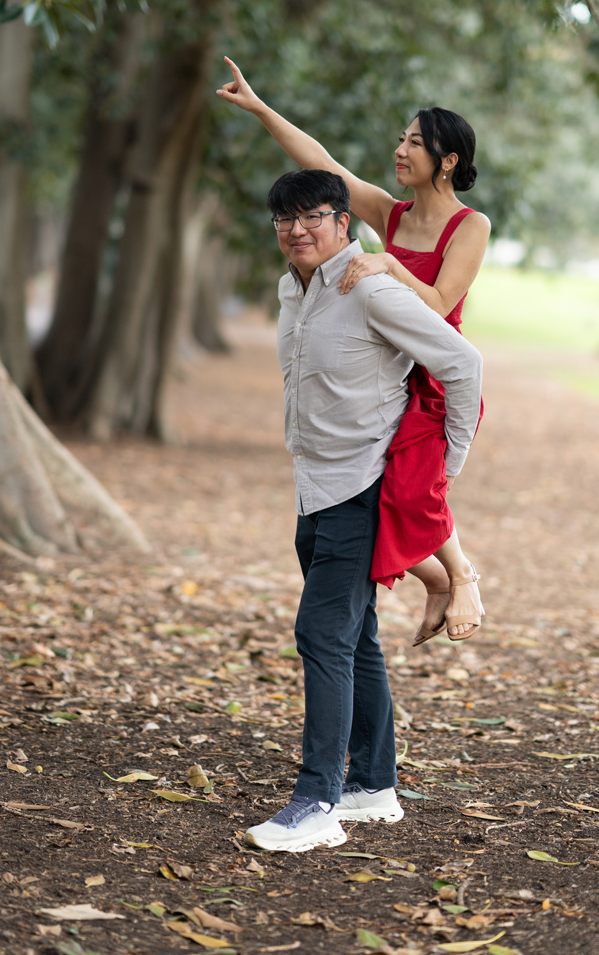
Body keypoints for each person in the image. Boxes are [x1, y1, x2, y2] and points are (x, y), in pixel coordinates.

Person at [242, 168, 482, 853]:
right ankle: (372, 785)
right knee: (356, 637)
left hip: (361, 490)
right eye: (285, 220)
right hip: (313, 490)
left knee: (321, 634)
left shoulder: (370, 288)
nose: (297, 230)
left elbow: (463, 364)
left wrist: (445, 468)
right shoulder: (296, 288)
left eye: (313, 216)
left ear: (344, 223)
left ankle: (317, 802)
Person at [217, 58, 490, 644]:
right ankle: (438, 580)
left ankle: (460, 575)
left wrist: (388, 263)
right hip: (377, 358)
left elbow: (440, 306)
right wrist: (262, 108)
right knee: (375, 498)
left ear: (447, 161)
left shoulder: (471, 225)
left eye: (415, 142)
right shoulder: (392, 212)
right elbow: (324, 165)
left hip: (430, 370)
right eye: (401, 138)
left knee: (412, 490)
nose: (401, 150)